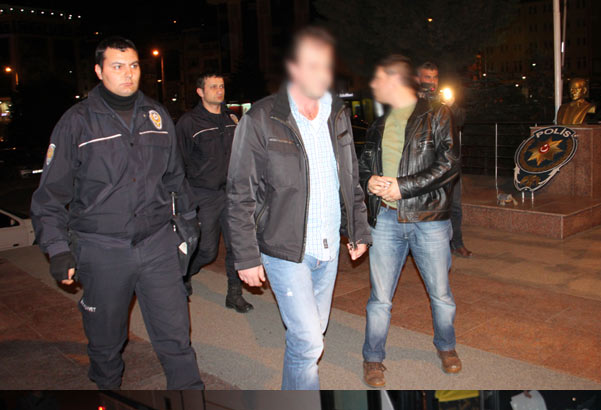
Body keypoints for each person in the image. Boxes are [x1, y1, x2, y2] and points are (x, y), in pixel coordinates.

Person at [30, 37, 202, 390]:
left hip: (156, 244)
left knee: (177, 340)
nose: (128, 74)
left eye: (134, 66)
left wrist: (188, 230)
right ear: (99, 71)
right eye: (118, 66)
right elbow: (49, 197)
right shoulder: (76, 122)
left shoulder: (157, 117)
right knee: (106, 345)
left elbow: (176, 180)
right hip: (102, 249)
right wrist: (58, 249)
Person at [227, 26, 370, 390]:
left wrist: (358, 229)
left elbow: (349, 177)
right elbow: (240, 193)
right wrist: (246, 256)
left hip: (329, 247)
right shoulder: (261, 118)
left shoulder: (337, 114)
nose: (322, 73)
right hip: (285, 250)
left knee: (308, 337)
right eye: (312, 64)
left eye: (326, 65)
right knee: (309, 342)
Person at [360, 55, 461, 387]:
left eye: (380, 78)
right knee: (380, 297)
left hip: (428, 219)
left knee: (441, 294)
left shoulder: (437, 114)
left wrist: (402, 187)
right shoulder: (378, 124)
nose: (375, 85)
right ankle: (373, 358)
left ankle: (446, 346)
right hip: (386, 220)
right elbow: (364, 165)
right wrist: (369, 181)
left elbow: (449, 164)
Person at [176, 72, 252, 312]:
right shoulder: (189, 123)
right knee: (207, 250)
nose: (219, 91)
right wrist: (182, 197)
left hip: (232, 194)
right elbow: (177, 162)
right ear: (200, 92)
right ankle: (184, 274)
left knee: (237, 246)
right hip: (204, 195)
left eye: (221, 86)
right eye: (213, 87)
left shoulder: (232, 119)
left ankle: (234, 294)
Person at [417, 60, 471, 257]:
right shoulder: (412, 100)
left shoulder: (444, 100)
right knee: (425, 206)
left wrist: (451, 105)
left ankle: (457, 242)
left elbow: (461, 119)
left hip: (448, 163)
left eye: (435, 77)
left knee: (454, 205)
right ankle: (421, 246)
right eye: (427, 77)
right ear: (418, 79)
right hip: (423, 163)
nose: (432, 81)